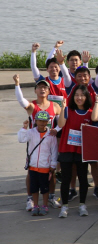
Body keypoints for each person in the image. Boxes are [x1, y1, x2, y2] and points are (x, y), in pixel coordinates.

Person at [14, 74, 61, 211]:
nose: (42, 89)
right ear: (35, 90)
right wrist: (17, 84)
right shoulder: (32, 106)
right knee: (31, 171)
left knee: (51, 172)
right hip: (34, 143)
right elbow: (20, 100)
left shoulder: (54, 106)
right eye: (39, 87)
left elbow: (62, 122)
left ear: (48, 91)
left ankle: (51, 197)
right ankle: (30, 199)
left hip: (49, 142)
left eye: (45, 87)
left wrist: (56, 130)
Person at [56, 85, 94, 217]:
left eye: (82, 95)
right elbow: (60, 125)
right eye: (76, 95)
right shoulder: (67, 110)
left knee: (83, 179)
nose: (79, 98)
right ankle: (64, 206)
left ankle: (82, 205)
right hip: (67, 149)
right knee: (66, 179)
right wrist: (62, 108)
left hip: (82, 151)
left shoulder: (90, 113)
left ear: (86, 97)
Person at [18, 111, 58, 216]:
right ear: (35, 121)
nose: (42, 123)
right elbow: (21, 139)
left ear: (48, 122)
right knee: (34, 188)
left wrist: (53, 165)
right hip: (33, 166)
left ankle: (44, 205)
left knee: (45, 188)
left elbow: (54, 150)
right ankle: (36, 205)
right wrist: (24, 128)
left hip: (45, 167)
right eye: (40, 120)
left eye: (45, 121)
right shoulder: (31, 132)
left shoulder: (51, 135)